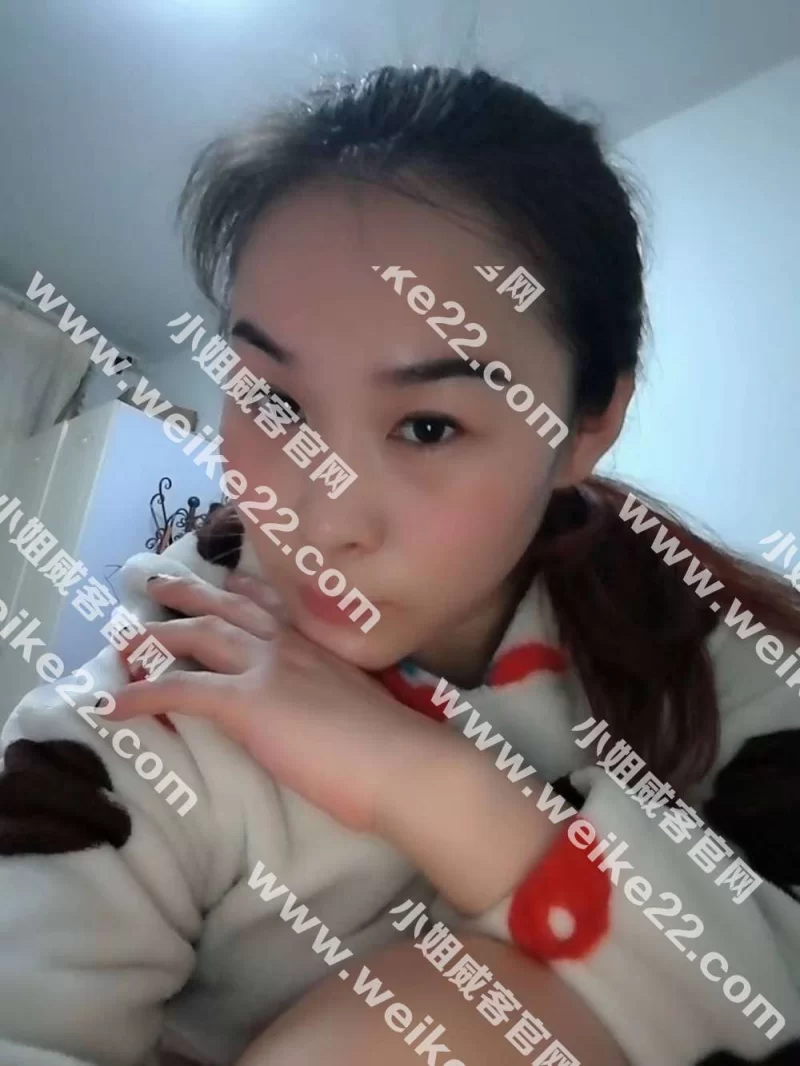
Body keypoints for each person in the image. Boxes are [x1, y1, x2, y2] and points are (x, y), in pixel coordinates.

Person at [0, 65, 798, 1066]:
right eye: (275, 403)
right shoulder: (137, 719)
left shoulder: (718, 659)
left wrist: (422, 783)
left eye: (427, 425)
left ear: (587, 424)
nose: (321, 516)